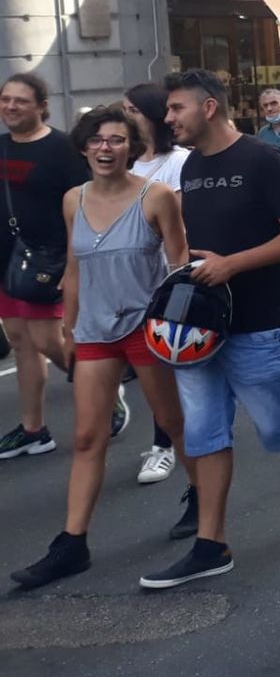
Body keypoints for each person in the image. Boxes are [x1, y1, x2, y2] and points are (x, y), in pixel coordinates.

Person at [145, 69, 280, 591]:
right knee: (204, 433)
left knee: (278, 427)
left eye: (177, 108)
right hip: (199, 328)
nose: (168, 118)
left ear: (209, 107)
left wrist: (232, 265)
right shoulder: (190, 167)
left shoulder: (262, 161)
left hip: (260, 324)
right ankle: (211, 544)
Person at [9, 108, 194, 589]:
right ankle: (72, 543)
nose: (105, 148)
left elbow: (179, 266)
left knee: (173, 424)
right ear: (84, 147)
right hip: (94, 330)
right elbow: (74, 265)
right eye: (97, 140)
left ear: (131, 147)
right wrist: (69, 327)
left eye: (116, 140)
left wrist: (174, 331)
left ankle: (200, 496)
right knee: (88, 438)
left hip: (144, 326)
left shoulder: (155, 198)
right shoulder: (74, 199)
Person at [0, 73, 92, 461]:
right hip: (6, 259)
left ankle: (98, 385)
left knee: (45, 340)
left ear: (41, 105)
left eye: (20, 100)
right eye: (5, 100)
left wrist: (73, 263)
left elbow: (83, 205)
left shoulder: (62, 149)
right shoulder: (1, 147)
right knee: (20, 341)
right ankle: (34, 429)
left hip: (47, 258)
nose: (10, 107)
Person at [123, 81, 194, 481]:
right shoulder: (125, 162)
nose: (126, 116)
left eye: (131, 110)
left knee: (160, 367)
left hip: (162, 276)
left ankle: (164, 445)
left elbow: (178, 226)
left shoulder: (177, 162)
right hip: (127, 278)